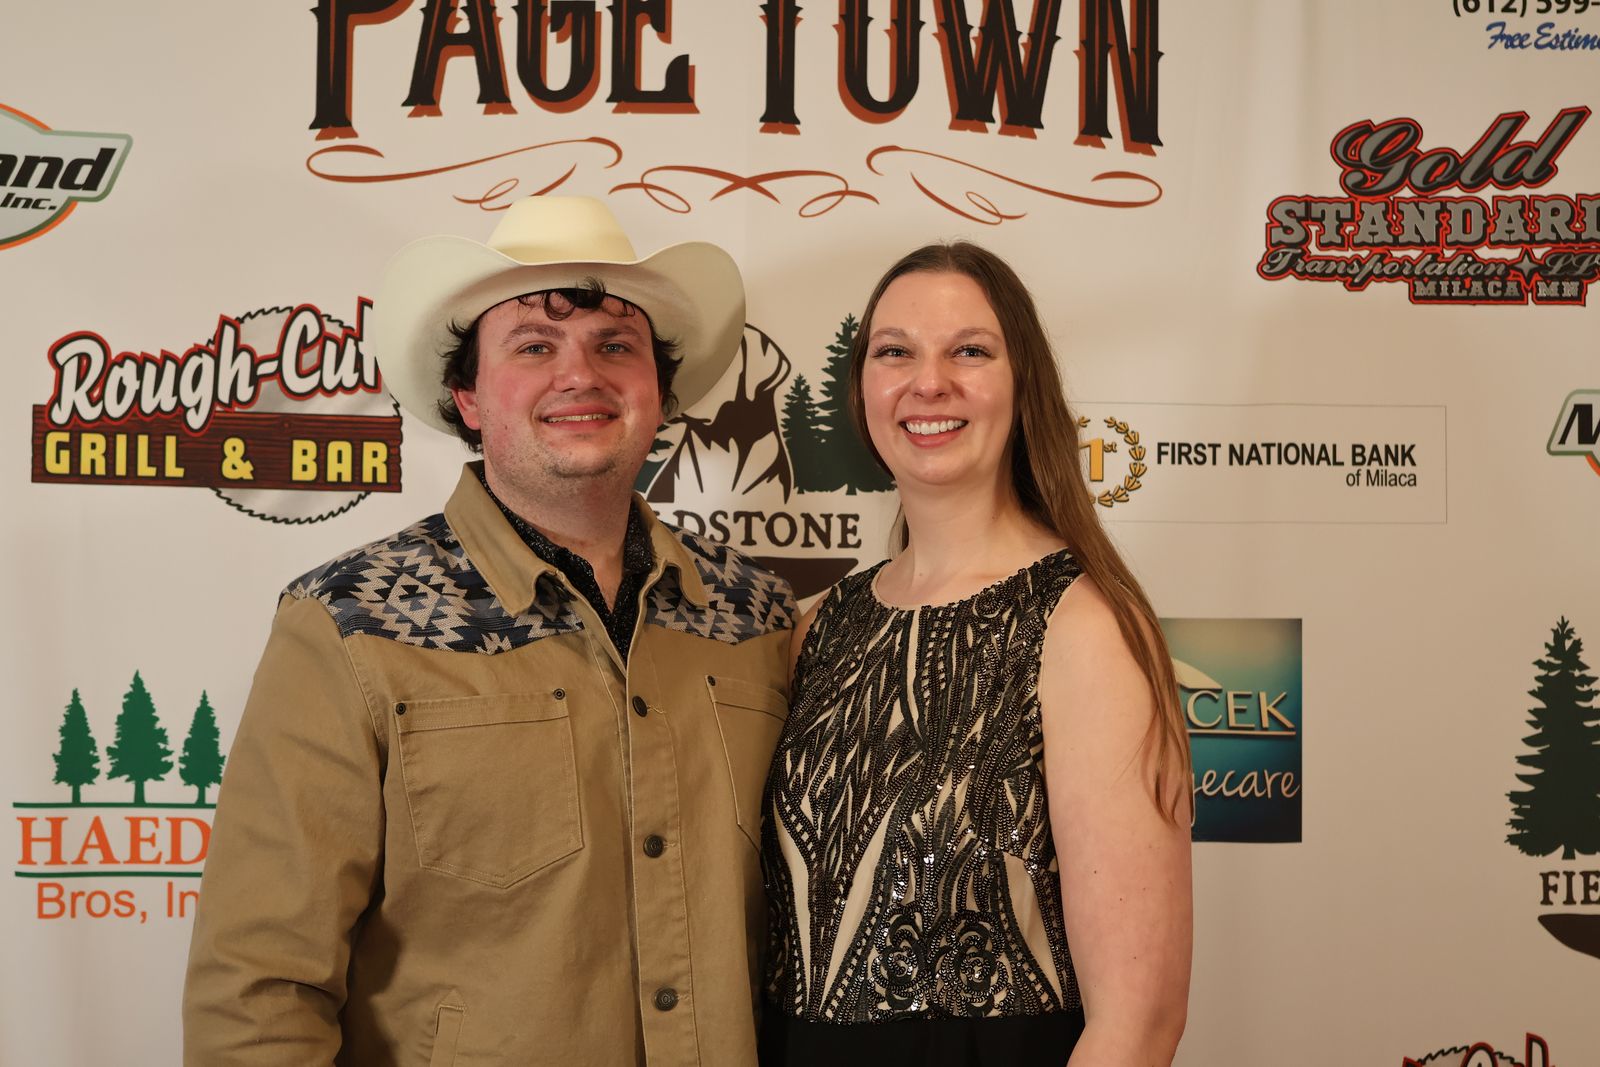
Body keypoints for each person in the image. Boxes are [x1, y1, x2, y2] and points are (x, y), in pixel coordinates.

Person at [183, 197, 797, 1065]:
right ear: (468, 396)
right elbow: (259, 990)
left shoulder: (756, 616)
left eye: (615, 346)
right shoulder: (348, 624)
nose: (580, 375)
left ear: (659, 393)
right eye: (535, 347)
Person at [759, 243, 1192, 1066]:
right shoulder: (823, 624)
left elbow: (1139, 1023)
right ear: (862, 389)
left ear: (1023, 384)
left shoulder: (1082, 625)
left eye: (969, 351)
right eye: (895, 352)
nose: (929, 383)